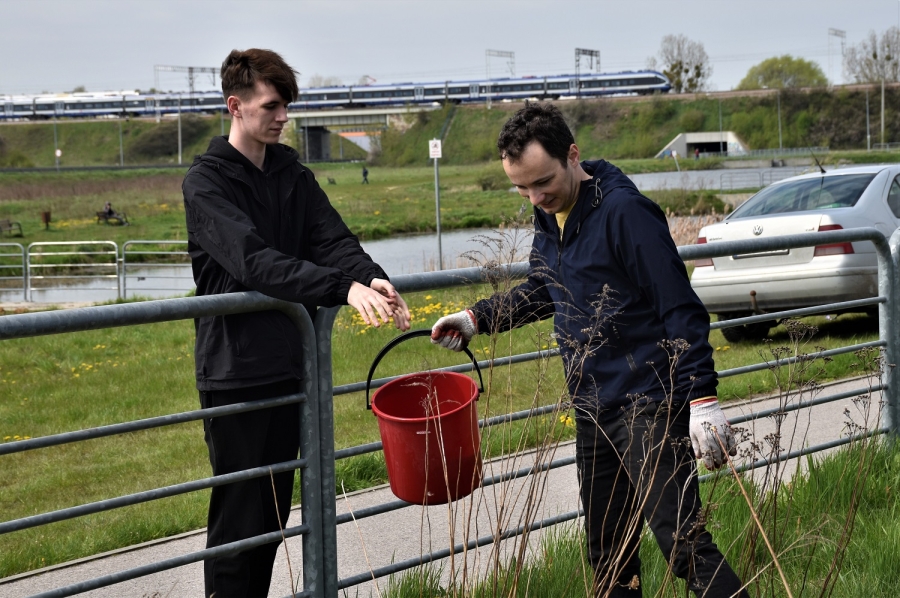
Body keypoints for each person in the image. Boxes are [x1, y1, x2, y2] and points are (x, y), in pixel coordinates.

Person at [430, 104, 746, 597]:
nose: (536, 198)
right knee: (609, 555)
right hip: (592, 406)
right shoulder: (550, 214)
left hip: (648, 401)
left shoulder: (626, 214)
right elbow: (545, 287)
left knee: (683, 545)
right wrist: (478, 318)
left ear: (572, 155)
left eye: (543, 182)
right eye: (522, 188)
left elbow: (680, 308)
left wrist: (702, 398)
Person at [182, 48, 410, 598]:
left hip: (289, 365)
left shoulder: (291, 174)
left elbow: (331, 239)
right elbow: (254, 262)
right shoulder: (206, 183)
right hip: (236, 371)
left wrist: (371, 277)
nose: (283, 117)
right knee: (240, 521)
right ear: (235, 106)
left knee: (272, 516)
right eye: (272, 106)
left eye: (287, 106)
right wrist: (341, 288)